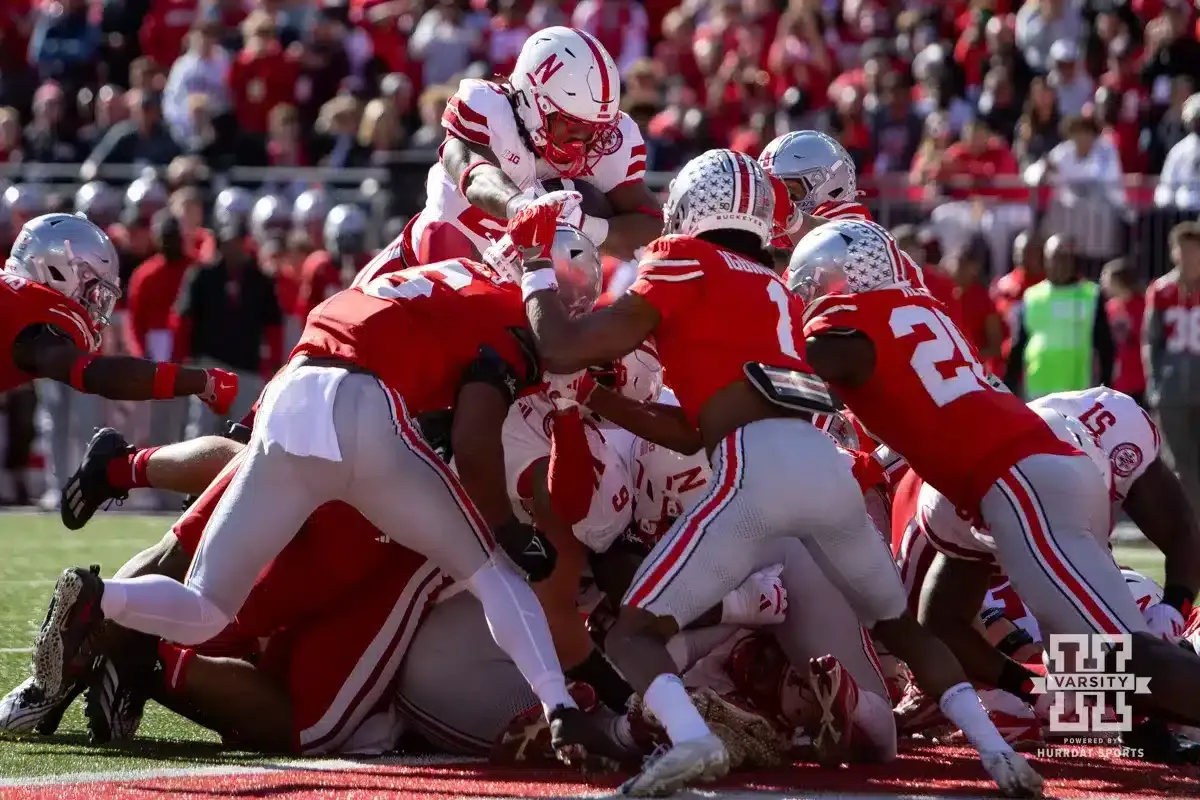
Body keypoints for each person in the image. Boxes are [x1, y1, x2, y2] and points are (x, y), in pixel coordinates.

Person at [505, 152, 1041, 797]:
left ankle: (693, 741)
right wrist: (603, 400)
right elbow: (690, 428)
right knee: (898, 624)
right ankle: (996, 754)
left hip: (754, 471)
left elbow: (561, 346)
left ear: (690, 208)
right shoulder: (777, 289)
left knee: (633, 633)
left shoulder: (685, 260)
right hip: (829, 469)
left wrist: (536, 265)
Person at [31, 217, 622, 767]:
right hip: (364, 406)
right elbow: (473, 435)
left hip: (295, 394)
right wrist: (508, 528)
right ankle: (561, 708)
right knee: (494, 567)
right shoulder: (509, 318)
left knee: (208, 606)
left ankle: (100, 599)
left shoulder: (439, 273)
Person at [400, 25, 661, 267]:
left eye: (595, 131)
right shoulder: (487, 108)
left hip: (521, 294)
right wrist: (519, 207)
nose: (584, 144)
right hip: (424, 268)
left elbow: (654, 229)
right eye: (572, 128)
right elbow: (473, 171)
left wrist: (586, 227)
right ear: (533, 102)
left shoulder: (610, 141)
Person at [1005, 234, 1114, 400]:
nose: (1059, 264)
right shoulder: (1032, 296)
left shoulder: (1090, 294)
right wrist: (1010, 385)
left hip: (1079, 392)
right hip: (1038, 390)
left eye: (1065, 258)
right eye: (1054, 258)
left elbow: (1105, 345)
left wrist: (1106, 386)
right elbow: (1018, 344)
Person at [1144, 221, 1200, 517]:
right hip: (1173, 390)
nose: (1190, 257)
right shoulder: (1162, 290)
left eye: (1195, 250)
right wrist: (1155, 386)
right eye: (1184, 250)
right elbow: (1151, 342)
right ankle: (1192, 531)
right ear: (1174, 253)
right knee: (1181, 465)